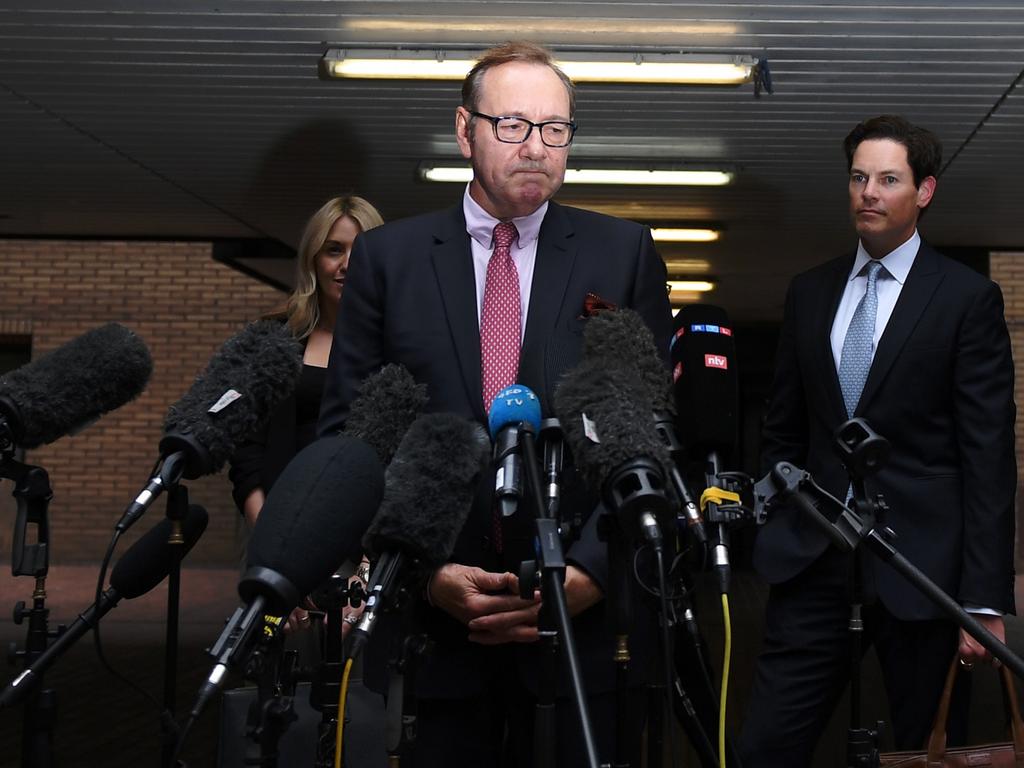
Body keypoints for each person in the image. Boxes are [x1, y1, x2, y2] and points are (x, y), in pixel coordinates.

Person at [318, 41, 673, 767]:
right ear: (464, 130)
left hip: (582, 633)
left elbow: (652, 432)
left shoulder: (623, 253)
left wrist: (592, 572)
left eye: (555, 129)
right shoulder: (390, 259)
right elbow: (352, 440)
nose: (536, 147)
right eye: (512, 125)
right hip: (440, 627)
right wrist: (425, 570)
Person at [739, 115, 1016, 766]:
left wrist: (984, 599)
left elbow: (987, 457)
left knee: (925, 750)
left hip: (921, 572)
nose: (869, 192)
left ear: (924, 191)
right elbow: (783, 429)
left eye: (887, 179)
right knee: (764, 747)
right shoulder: (810, 293)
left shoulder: (966, 299)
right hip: (813, 563)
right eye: (859, 178)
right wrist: (778, 516)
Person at [229, 194, 384, 629]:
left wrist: (369, 571)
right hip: (281, 535)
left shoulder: (403, 345)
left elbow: (406, 457)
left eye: (361, 250)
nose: (347, 264)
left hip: (370, 550)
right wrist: (277, 553)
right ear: (313, 258)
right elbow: (247, 455)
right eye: (334, 249)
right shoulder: (274, 338)